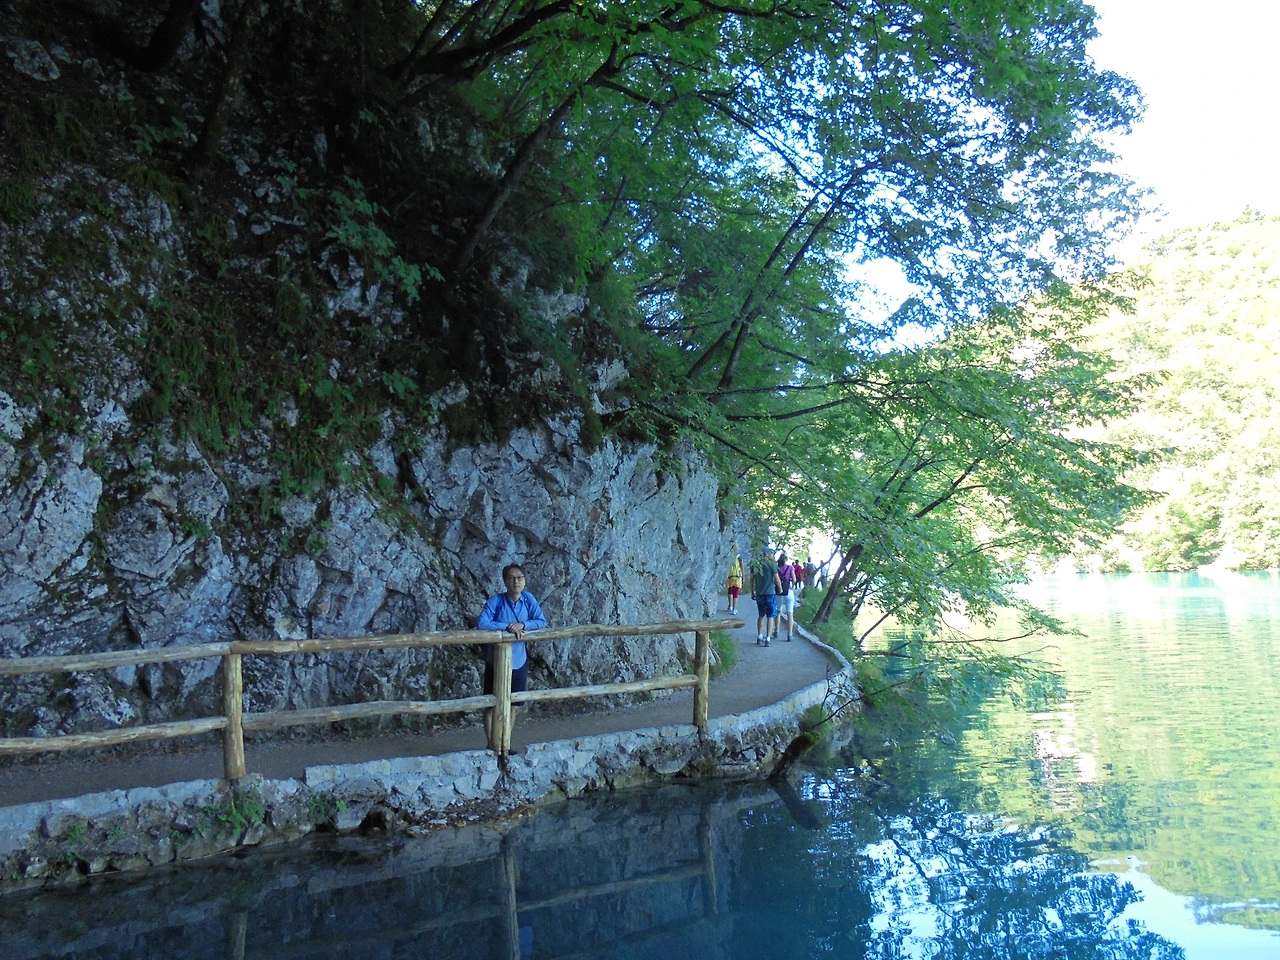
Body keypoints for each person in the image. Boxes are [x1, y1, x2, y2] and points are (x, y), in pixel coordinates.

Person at [477, 563, 546, 748]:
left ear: (524, 580)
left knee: (514, 704)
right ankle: (492, 744)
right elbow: (482, 623)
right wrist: (507, 627)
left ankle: (505, 743)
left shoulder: (528, 599)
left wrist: (523, 625)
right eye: (512, 578)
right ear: (505, 581)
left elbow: (541, 621)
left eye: (520, 578)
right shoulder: (496, 601)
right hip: (496, 661)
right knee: (492, 703)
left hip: (518, 660)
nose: (516, 581)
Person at [749, 543, 782, 646]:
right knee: (770, 616)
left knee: (761, 615)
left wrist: (752, 591)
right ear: (766, 554)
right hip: (770, 593)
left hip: (759, 593)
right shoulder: (772, 565)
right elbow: (776, 579)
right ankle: (767, 639)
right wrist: (780, 589)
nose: (773, 555)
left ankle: (759, 636)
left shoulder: (756, 564)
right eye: (772, 553)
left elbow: (751, 578)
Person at [777, 551, 799, 641]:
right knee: (790, 613)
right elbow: (794, 580)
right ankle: (789, 634)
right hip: (788, 591)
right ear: (786, 560)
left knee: (778, 612)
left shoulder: (777, 568)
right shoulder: (790, 568)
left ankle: (776, 630)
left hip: (778, 592)